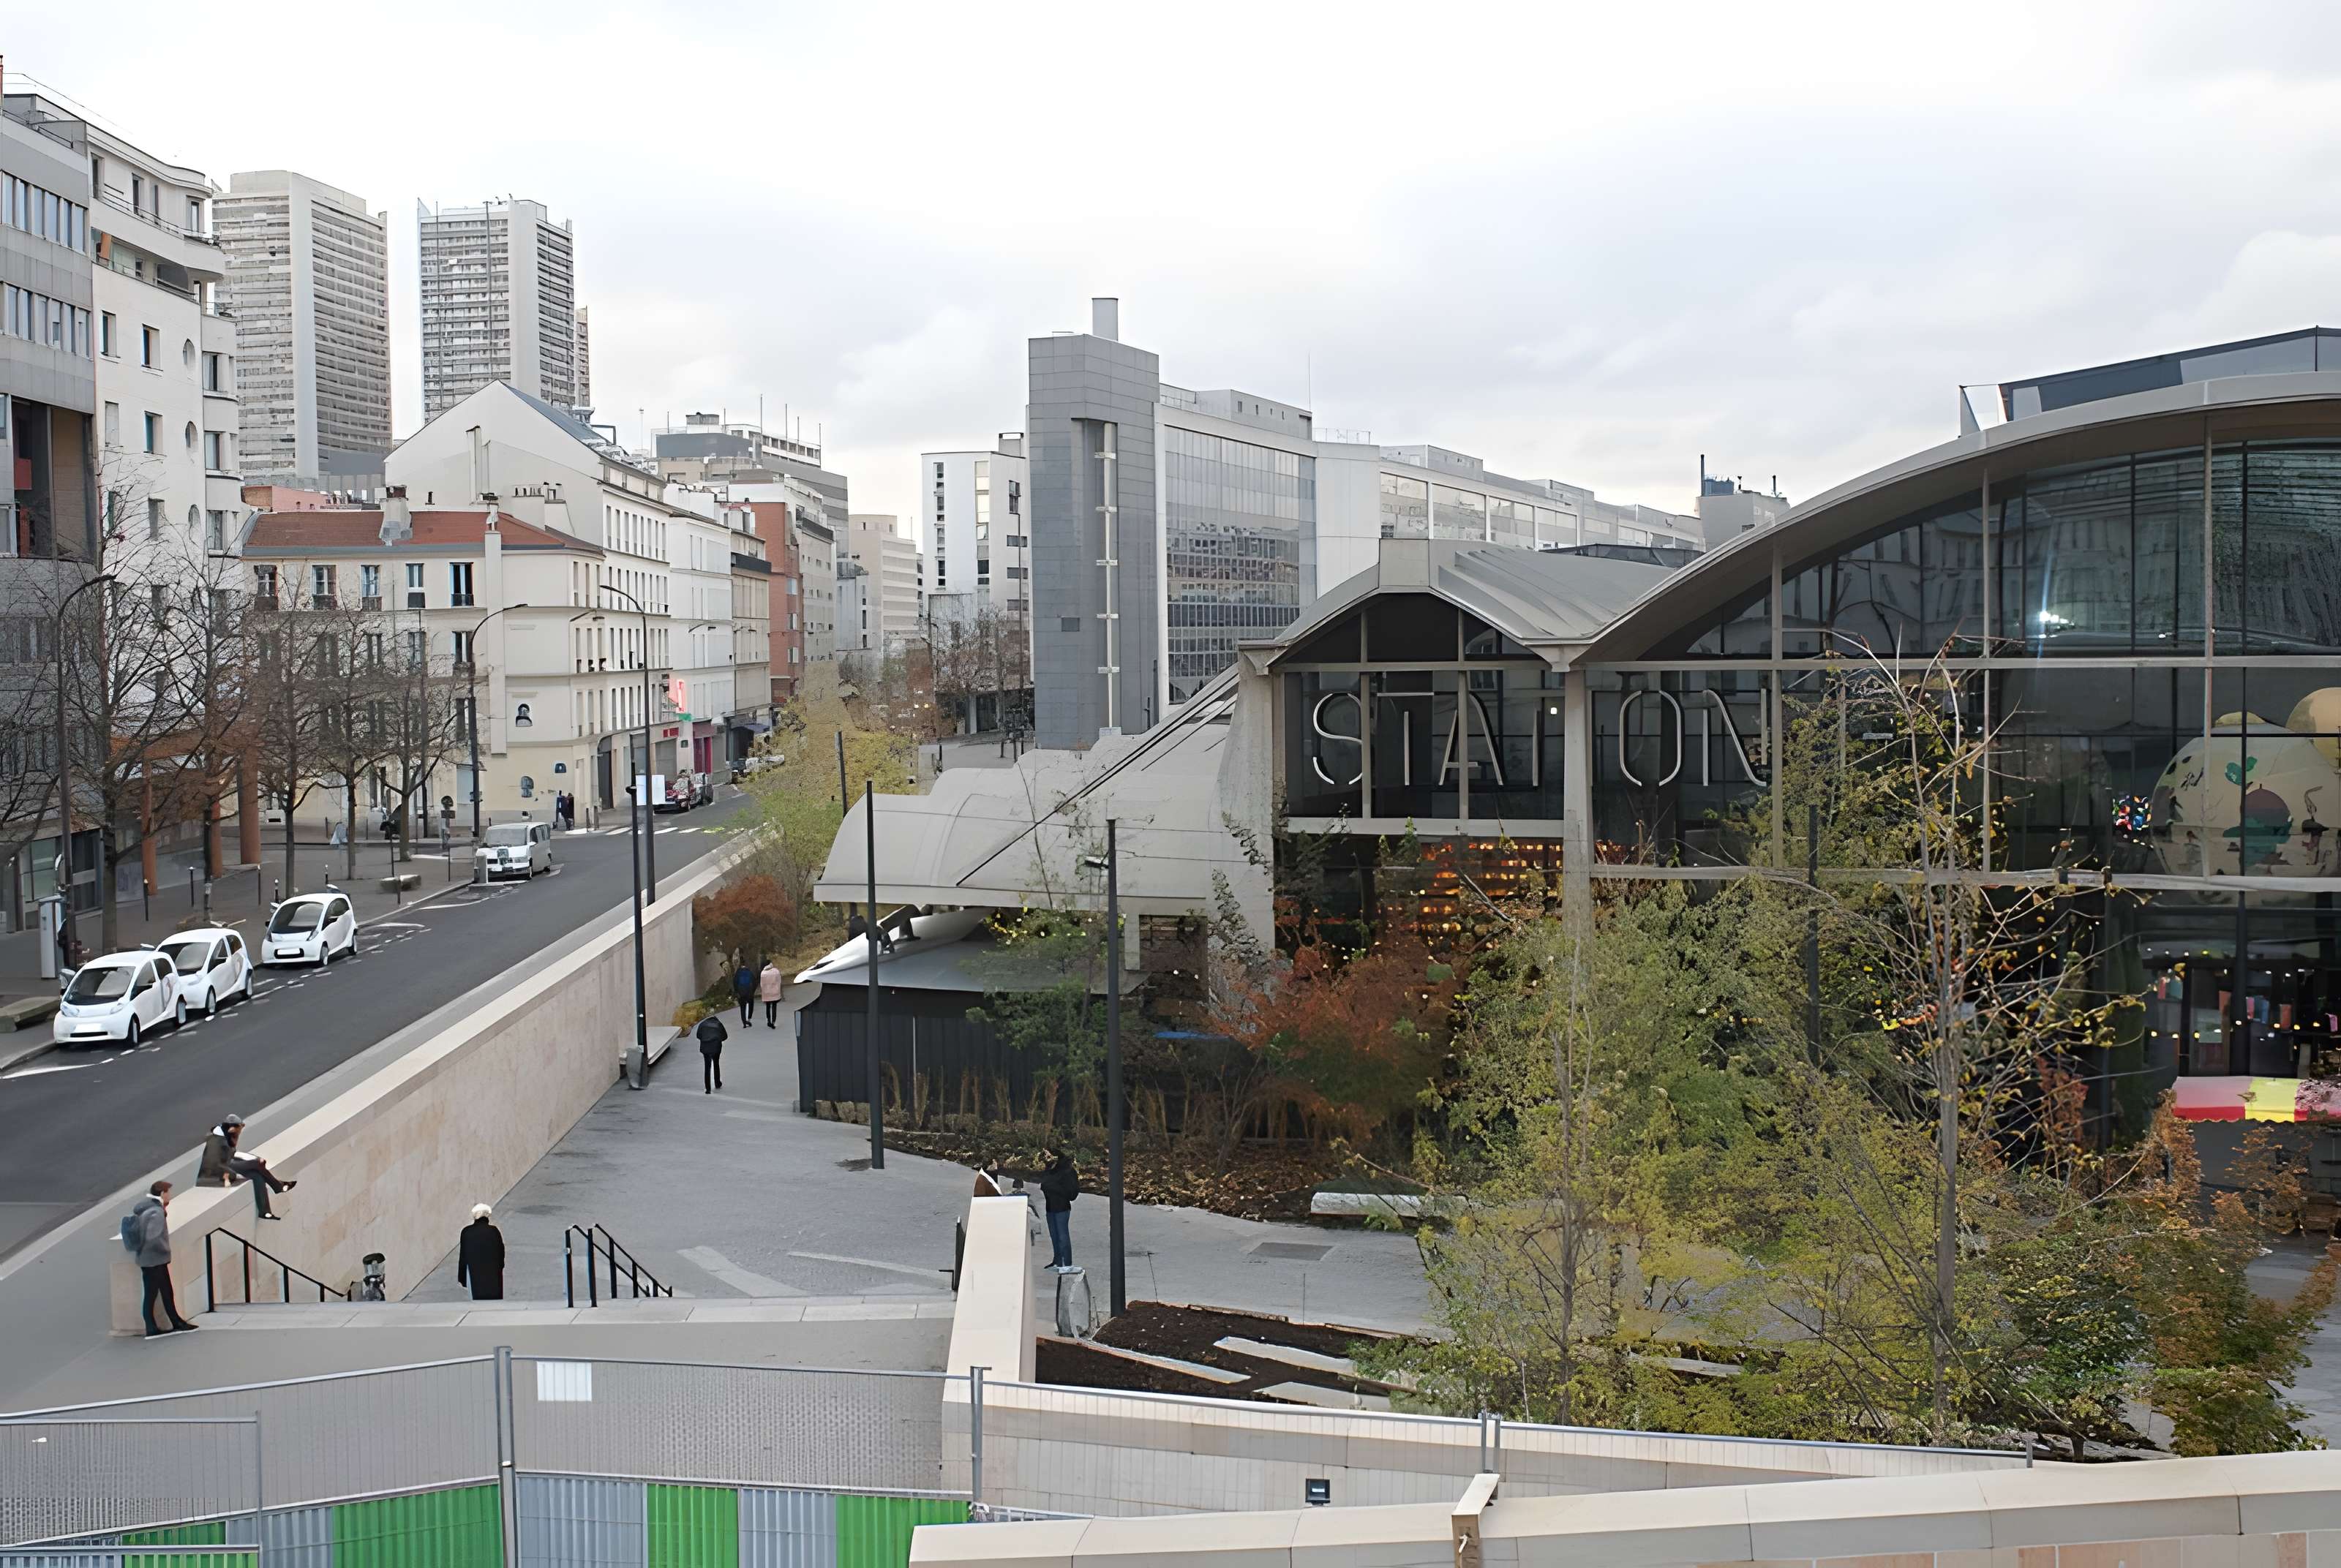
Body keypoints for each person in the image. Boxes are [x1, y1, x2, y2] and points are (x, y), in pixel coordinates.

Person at [129, 1180, 195, 1336]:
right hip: (155, 1261)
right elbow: (153, 1237)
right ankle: (154, 1327)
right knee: (155, 1293)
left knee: (163, 1292)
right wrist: (165, 1249)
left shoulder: (147, 1207)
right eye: (168, 1192)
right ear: (162, 1193)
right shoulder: (156, 1212)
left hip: (149, 1260)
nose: (169, 1195)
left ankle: (174, 1322)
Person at [198, 1114, 296, 1220]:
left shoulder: (227, 1136)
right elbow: (217, 1164)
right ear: (232, 1128)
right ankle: (278, 1186)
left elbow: (232, 1154)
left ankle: (265, 1212)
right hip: (219, 1172)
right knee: (258, 1164)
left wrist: (251, 1159)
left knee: (257, 1176)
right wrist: (252, 1162)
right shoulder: (217, 1141)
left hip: (227, 1164)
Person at [1040, 1147, 1079, 1273]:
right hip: (1050, 1207)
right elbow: (1045, 1184)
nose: (1045, 1157)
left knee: (1062, 1236)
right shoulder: (1050, 1168)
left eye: (1047, 1155)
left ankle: (1067, 1263)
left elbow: (1071, 1193)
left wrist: (1051, 1187)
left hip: (1062, 1208)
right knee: (1054, 1236)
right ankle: (1058, 1261)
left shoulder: (1067, 1170)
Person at [456, 1203, 506, 1300]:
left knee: (477, 1302)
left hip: (474, 1277)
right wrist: (500, 1268)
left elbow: (463, 1257)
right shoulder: (494, 1231)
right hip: (493, 1277)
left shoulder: (466, 1232)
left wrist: (462, 1278)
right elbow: (501, 1254)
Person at [696, 1011, 728, 1093]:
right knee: (716, 1064)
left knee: (707, 1067)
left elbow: (698, 1035)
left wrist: (705, 1039)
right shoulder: (719, 1024)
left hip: (705, 1047)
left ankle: (708, 1088)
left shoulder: (702, 1024)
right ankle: (717, 1083)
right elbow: (725, 1036)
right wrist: (718, 1040)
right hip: (716, 1047)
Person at [759, 957, 785, 1027]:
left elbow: (762, 984)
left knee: (768, 1007)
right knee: (774, 1006)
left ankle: (768, 1021)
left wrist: (763, 991)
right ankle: (773, 1021)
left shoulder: (763, 973)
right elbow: (779, 981)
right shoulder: (776, 971)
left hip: (766, 993)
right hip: (775, 993)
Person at [732, 960, 757, 1025]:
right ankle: (749, 1018)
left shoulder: (738, 973)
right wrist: (753, 991)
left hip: (741, 993)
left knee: (743, 1007)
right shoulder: (750, 972)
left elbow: (735, 983)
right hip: (749, 992)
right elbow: (755, 983)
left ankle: (744, 1022)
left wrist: (737, 992)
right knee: (751, 1004)